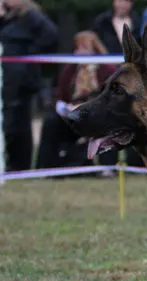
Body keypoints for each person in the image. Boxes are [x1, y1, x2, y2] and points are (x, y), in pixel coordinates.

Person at [35, 31, 117, 171]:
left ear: (94, 50)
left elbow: (111, 98)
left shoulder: (107, 69)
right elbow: (59, 96)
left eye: (84, 48)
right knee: (50, 122)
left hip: (97, 115)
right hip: (73, 117)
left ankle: (107, 168)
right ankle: (45, 167)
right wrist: (65, 107)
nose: (79, 52)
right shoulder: (70, 69)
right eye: (77, 48)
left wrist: (86, 106)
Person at [0, 0, 58, 171]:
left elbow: (51, 36)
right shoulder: (7, 20)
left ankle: (19, 167)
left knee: (19, 126)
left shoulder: (31, 17)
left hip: (21, 82)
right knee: (8, 125)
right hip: (5, 79)